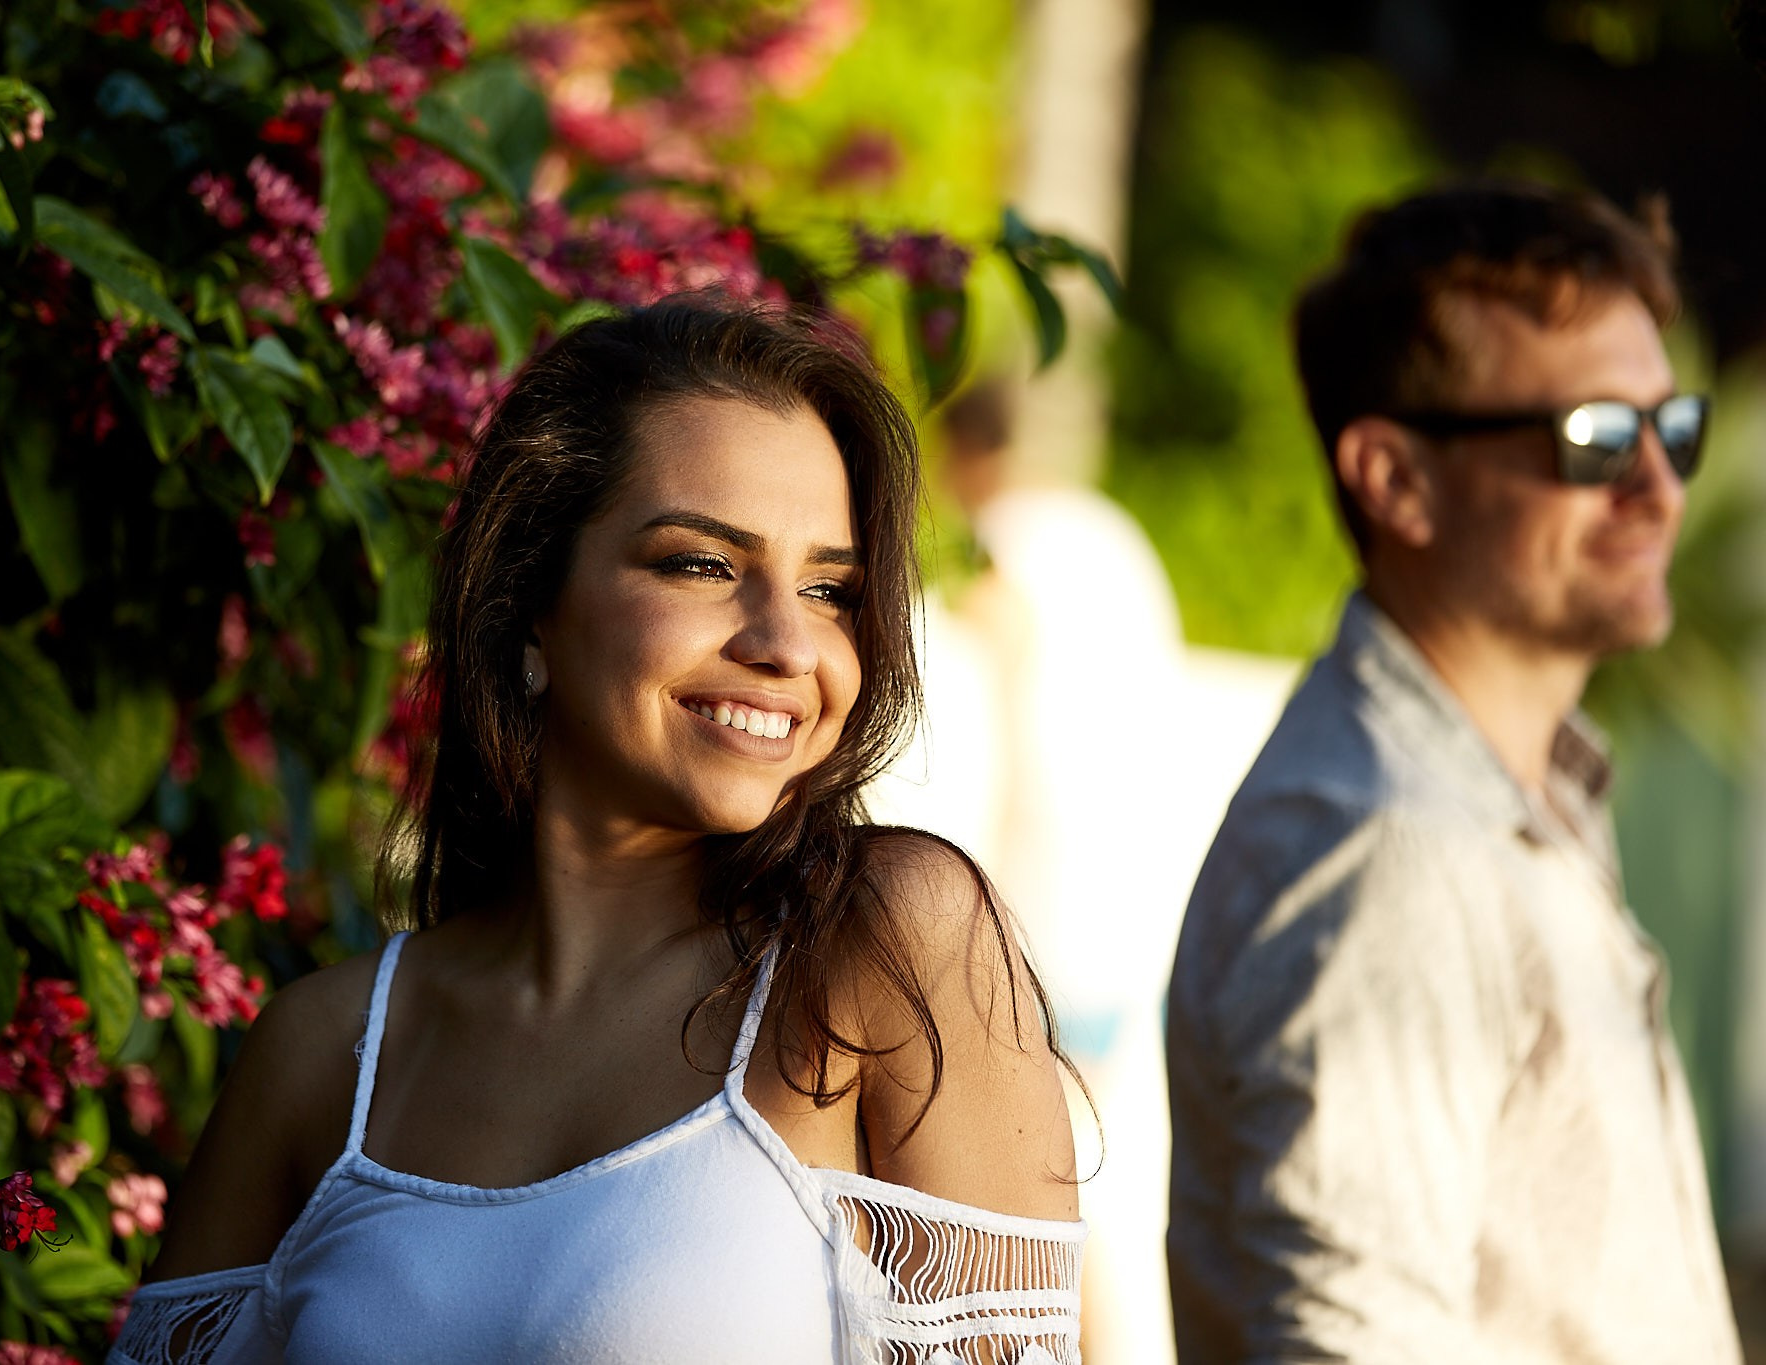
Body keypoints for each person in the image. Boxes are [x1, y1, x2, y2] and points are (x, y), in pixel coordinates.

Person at [111, 298, 1088, 1364]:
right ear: (530, 597)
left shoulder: (883, 949)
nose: (785, 643)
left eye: (828, 588)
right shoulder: (320, 1053)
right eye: (701, 564)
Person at [1164, 181, 1743, 1361]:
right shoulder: (1385, 850)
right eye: (1594, 437)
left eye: (1671, 428)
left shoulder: (1506, 794)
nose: (1657, 488)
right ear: (1394, 479)